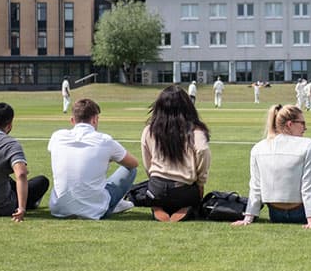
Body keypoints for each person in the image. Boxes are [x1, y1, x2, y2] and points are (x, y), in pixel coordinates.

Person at [231, 104, 311, 228]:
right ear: (290, 124)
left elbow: (255, 186)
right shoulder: (307, 145)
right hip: (302, 212)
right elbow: (309, 184)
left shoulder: (258, 148)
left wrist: (248, 218)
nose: (305, 128)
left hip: (276, 215)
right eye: (302, 123)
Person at [48, 98, 138, 220]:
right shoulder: (104, 140)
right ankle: (112, 203)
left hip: (58, 208)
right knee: (131, 170)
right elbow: (133, 163)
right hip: (93, 210)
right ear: (95, 119)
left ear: (72, 120)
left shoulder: (57, 136)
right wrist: (108, 158)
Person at [142, 85, 211, 222]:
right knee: (192, 197)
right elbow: (202, 151)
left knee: (149, 191)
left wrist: (153, 178)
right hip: (183, 189)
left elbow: (147, 162)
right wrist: (200, 182)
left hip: (157, 187)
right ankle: (186, 207)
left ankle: (158, 207)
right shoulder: (195, 132)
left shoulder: (149, 131)